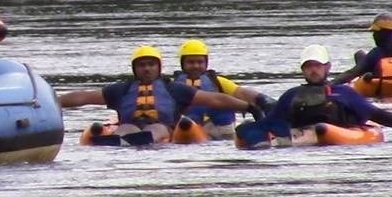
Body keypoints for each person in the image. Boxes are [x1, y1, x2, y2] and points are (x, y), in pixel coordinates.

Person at [237, 44, 392, 146]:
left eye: (317, 66)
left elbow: (377, 115)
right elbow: (272, 122)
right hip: (303, 136)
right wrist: (248, 129)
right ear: (302, 70)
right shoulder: (291, 95)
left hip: (332, 132)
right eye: (308, 67)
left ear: (328, 67)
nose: (313, 70)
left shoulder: (344, 92)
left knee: (321, 129)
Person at [58, 45, 264, 144]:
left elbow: (214, 99)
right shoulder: (121, 89)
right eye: (141, 66)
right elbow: (84, 97)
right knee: (126, 127)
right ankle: (120, 140)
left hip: (163, 127)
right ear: (134, 68)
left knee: (156, 128)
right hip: (130, 125)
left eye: (150, 65)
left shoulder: (173, 89)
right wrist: (53, 102)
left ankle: (140, 139)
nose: (146, 69)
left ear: (158, 67)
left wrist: (248, 107)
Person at [172, 39, 275, 139]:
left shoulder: (217, 82)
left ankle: (233, 135)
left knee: (224, 110)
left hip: (216, 126)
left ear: (206, 63)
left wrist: (264, 101)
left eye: (200, 62)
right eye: (191, 62)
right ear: (182, 64)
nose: (196, 66)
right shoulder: (172, 85)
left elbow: (241, 93)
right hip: (186, 125)